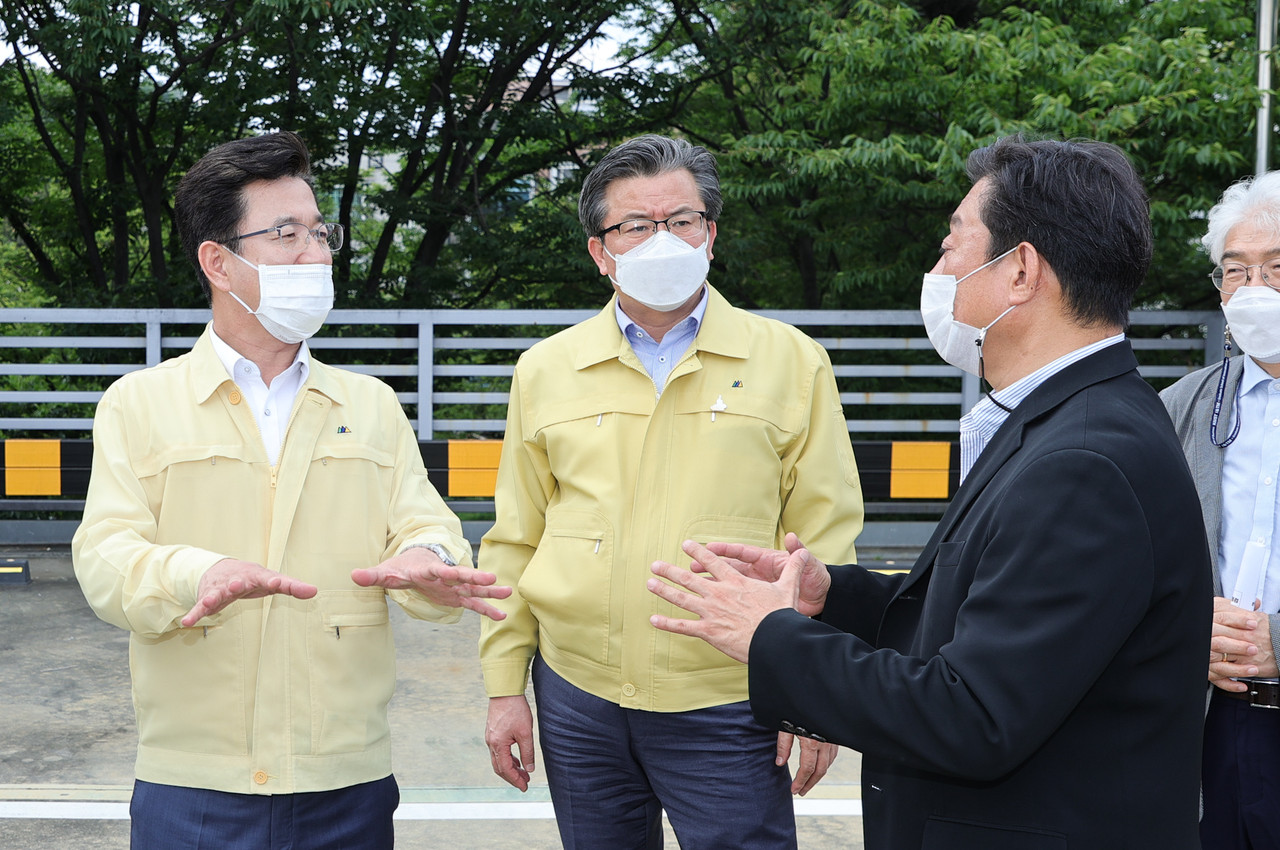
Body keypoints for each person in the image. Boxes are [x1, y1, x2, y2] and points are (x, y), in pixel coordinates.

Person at [646, 135, 1212, 849]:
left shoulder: (1087, 461)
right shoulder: (1068, 418)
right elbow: (994, 623)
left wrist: (770, 637)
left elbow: (972, 716)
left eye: (954, 244)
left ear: (1021, 271)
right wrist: (834, 599)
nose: (940, 269)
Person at [71, 131, 510, 849]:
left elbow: (423, 525)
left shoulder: (369, 403)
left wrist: (427, 560)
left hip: (346, 780)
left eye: (319, 232)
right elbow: (105, 556)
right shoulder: (139, 402)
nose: (315, 253)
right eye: (285, 234)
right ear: (219, 260)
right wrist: (198, 571)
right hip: (196, 783)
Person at [478, 134, 865, 848]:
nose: (662, 240)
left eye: (681, 221)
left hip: (731, 696)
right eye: (635, 225)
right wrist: (506, 685)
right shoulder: (546, 369)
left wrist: (810, 689)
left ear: (710, 235)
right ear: (601, 251)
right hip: (577, 696)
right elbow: (515, 536)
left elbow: (825, 536)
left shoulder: (789, 361)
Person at [1161, 170, 1280, 850]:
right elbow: (1134, 561)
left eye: (1275, 268)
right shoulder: (1181, 407)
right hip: (1202, 727)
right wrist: (1184, 629)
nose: (1253, 290)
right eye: (1235, 272)